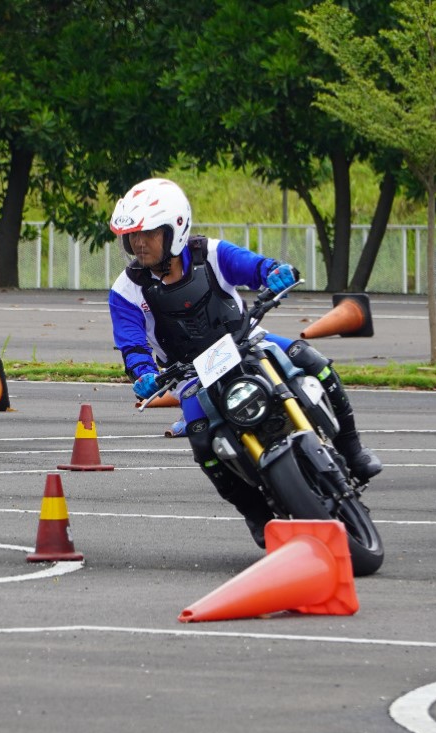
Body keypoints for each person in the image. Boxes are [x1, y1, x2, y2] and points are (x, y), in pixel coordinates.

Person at [107, 177, 382, 546]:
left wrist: (274, 272)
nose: (138, 243)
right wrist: (143, 374)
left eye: (147, 234)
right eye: (132, 236)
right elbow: (132, 343)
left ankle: (353, 450)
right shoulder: (124, 292)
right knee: (202, 442)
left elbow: (255, 267)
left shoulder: (212, 253)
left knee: (313, 360)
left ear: (174, 229)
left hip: (245, 342)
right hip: (191, 374)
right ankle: (255, 514)